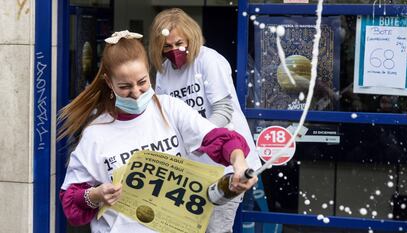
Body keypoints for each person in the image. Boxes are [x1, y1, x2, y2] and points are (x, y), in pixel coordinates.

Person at [58, 30, 258, 233]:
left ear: (149, 73)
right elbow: (70, 201)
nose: (136, 93)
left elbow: (221, 139)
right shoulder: (96, 134)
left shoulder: (170, 109)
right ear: (109, 82)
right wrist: (96, 195)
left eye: (142, 82)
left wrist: (239, 163)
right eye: (125, 86)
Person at [148, 8, 262, 233]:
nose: (174, 51)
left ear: (191, 37)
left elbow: (223, 110)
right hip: (190, 169)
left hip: (226, 165)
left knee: (216, 228)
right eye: (167, 46)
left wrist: (202, 139)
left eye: (179, 43)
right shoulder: (164, 72)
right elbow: (163, 117)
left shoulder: (208, 60)